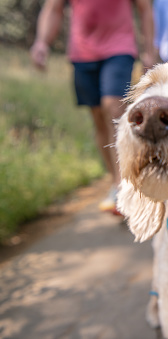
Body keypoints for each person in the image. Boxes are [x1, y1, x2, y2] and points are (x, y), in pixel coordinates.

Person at [30, 0, 156, 214]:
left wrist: (149, 50)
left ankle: (127, 184)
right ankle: (116, 181)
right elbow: (52, 9)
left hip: (119, 48)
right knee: (98, 117)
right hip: (82, 53)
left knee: (113, 108)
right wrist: (42, 42)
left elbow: (145, 10)